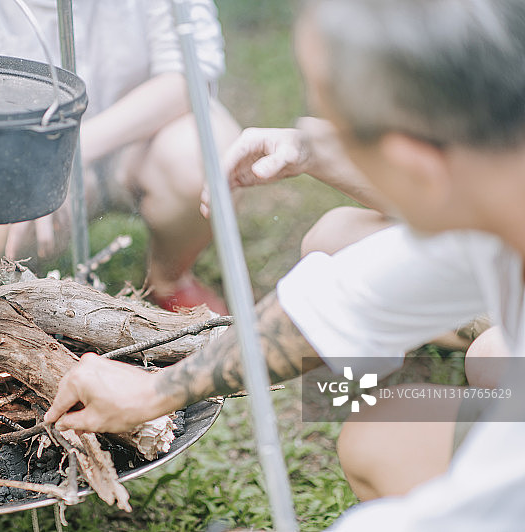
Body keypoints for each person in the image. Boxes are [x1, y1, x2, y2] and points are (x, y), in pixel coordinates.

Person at [43, 0, 525, 529]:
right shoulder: (495, 191)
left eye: (346, 134)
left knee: (492, 358)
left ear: (419, 166)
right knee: (380, 403)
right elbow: (350, 298)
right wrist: (153, 390)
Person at [0, 0, 241, 315]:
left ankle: (168, 278)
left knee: (207, 159)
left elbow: (188, 77)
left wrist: (72, 152)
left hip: (146, 137)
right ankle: (34, 300)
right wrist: (34, 163)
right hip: (33, 146)